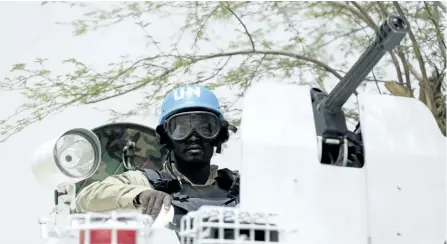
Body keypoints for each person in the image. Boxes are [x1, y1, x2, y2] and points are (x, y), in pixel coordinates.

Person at [75, 85, 239, 228]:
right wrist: (140, 195)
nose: (193, 136)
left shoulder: (239, 186)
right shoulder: (148, 182)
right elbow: (86, 198)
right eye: (181, 129)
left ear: (220, 135)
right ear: (166, 137)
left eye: (205, 128)